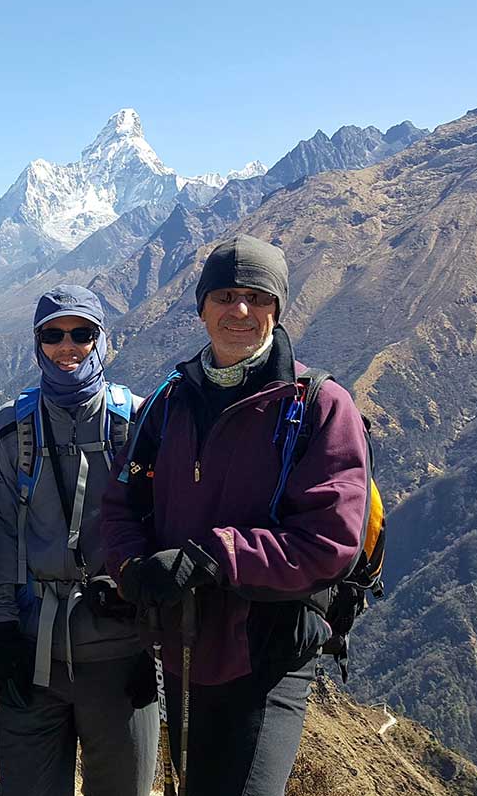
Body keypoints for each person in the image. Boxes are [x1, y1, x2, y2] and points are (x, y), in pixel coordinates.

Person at [101, 235, 370, 795]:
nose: (240, 311)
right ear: (202, 308)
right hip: (182, 644)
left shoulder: (318, 406)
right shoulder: (168, 402)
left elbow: (331, 539)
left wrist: (214, 557)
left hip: (268, 652)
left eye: (257, 296)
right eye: (224, 295)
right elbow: (122, 503)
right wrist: (133, 568)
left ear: (278, 307)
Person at [0, 285, 158, 796]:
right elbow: (0, 530)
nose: (67, 347)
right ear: (37, 344)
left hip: (121, 647)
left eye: (82, 333)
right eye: (53, 335)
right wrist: (1, 628)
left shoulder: (138, 422)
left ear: (104, 340)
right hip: (33, 647)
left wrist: (153, 638)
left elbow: (160, 528)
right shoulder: (9, 429)